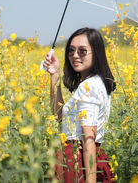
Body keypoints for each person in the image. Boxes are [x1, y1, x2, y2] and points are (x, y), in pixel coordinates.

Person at [43, 27, 115, 183]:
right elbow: (59, 115)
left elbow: (88, 138)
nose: (74, 55)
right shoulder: (93, 83)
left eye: (82, 51)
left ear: (96, 53)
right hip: (77, 158)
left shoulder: (89, 87)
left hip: (78, 162)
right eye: (71, 50)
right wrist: (55, 74)